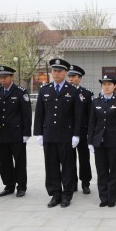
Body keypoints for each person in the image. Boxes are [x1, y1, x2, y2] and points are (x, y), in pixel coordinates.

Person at [33, 58, 82, 208]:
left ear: (66, 73)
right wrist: (38, 133)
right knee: (51, 165)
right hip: (49, 134)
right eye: (54, 70)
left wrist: (76, 134)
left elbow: (78, 116)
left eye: (60, 71)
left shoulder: (73, 91)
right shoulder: (45, 90)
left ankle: (67, 194)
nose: (56, 73)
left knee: (67, 166)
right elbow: (39, 113)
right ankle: (55, 193)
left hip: (66, 135)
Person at [0, 65, 32, 198]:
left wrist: (26, 133)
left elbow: (26, 114)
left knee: (19, 161)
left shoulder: (21, 92)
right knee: (4, 161)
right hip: (2, 133)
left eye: (5, 77)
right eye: (0, 78)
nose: (2, 80)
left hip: (17, 133)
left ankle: (21, 186)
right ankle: (9, 185)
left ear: (11, 77)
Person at [87, 75, 116, 207]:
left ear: (114, 86)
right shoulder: (96, 102)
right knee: (101, 171)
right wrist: (90, 141)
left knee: (114, 171)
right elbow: (92, 123)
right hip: (99, 141)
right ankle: (103, 197)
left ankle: (112, 198)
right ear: (102, 86)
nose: (107, 87)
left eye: (109, 84)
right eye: (104, 84)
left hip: (114, 141)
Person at [67, 65, 93, 194]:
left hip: (82, 132)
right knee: (69, 160)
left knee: (84, 159)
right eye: (69, 76)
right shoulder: (64, 92)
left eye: (74, 77)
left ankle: (85, 183)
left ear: (80, 78)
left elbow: (90, 116)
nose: (71, 79)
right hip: (68, 132)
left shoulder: (87, 94)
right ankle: (72, 183)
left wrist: (90, 134)